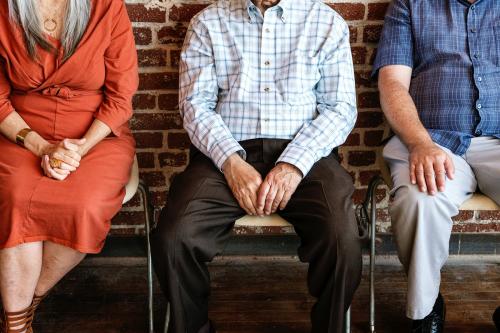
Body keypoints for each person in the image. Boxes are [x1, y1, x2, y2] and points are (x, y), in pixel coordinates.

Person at [150, 0, 362, 332]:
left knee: (342, 240)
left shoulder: (325, 22)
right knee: (174, 237)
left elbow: (340, 108)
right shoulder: (208, 22)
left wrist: (292, 164)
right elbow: (195, 105)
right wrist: (231, 162)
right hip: (226, 153)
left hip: (306, 154)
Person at [0, 0, 138, 331]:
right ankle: (17, 327)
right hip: (20, 130)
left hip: (95, 134)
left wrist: (77, 149)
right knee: (16, 199)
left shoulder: (107, 7)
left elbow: (120, 97)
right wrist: (41, 146)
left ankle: (23, 305)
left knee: (84, 206)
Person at [373, 0, 500, 332]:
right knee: (420, 198)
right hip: (431, 140)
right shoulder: (410, 5)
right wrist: (420, 142)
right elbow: (392, 83)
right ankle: (425, 308)